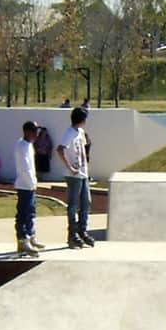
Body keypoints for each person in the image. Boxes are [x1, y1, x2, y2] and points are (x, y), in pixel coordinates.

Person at [57, 106, 95, 248]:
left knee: (86, 203)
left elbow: (84, 152)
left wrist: (86, 169)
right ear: (81, 119)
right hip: (73, 175)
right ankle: (72, 234)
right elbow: (60, 150)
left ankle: (82, 231)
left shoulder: (80, 132)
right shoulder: (69, 133)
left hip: (83, 174)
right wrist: (70, 168)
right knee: (73, 205)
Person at [13, 121, 45, 257]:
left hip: (30, 185)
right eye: (34, 131)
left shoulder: (29, 145)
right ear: (26, 131)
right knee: (23, 214)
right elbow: (25, 168)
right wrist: (31, 183)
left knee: (31, 213)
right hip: (24, 185)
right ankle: (23, 240)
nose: (36, 133)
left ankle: (31, 237)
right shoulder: (21, 146)